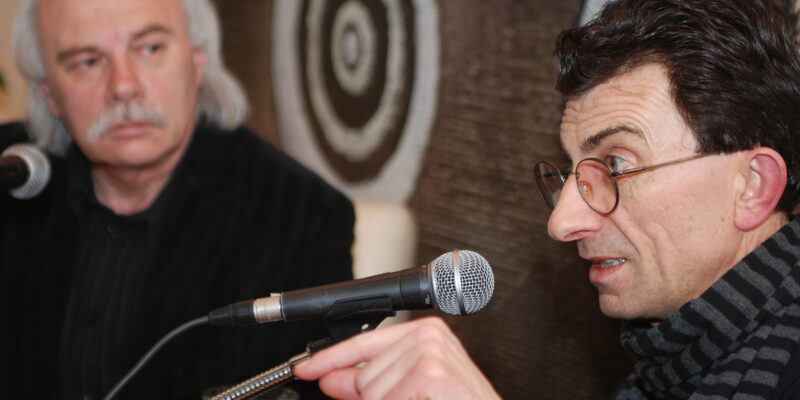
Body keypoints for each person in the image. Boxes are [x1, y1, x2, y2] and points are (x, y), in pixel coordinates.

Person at [293, 0, 800, 399]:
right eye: (571, 173)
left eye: (616, 166)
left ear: (753, 185)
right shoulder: (669, 360)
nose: (562, 223)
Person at [0, 0, 354, 398]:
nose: (123, 86)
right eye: (88, 61)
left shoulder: (300, 215)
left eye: (150, 48)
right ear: (49, 92)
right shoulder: (9, 176)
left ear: (198, 61)